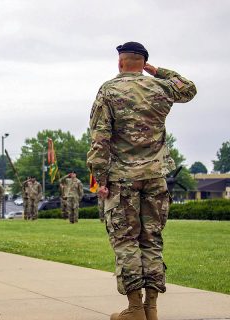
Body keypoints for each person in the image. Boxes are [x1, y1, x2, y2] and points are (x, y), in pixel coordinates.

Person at [87, 41, 196, 320]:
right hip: (156, 177)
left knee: (126, 241)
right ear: (142, 62)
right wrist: (157, 71)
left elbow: (100, 138)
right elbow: (188, 88)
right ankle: (152, 309)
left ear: (120, 62)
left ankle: (135, 309)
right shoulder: (160, 87)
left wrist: (100, 178)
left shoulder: (109, 90)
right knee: (152, 240)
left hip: (122, 180)